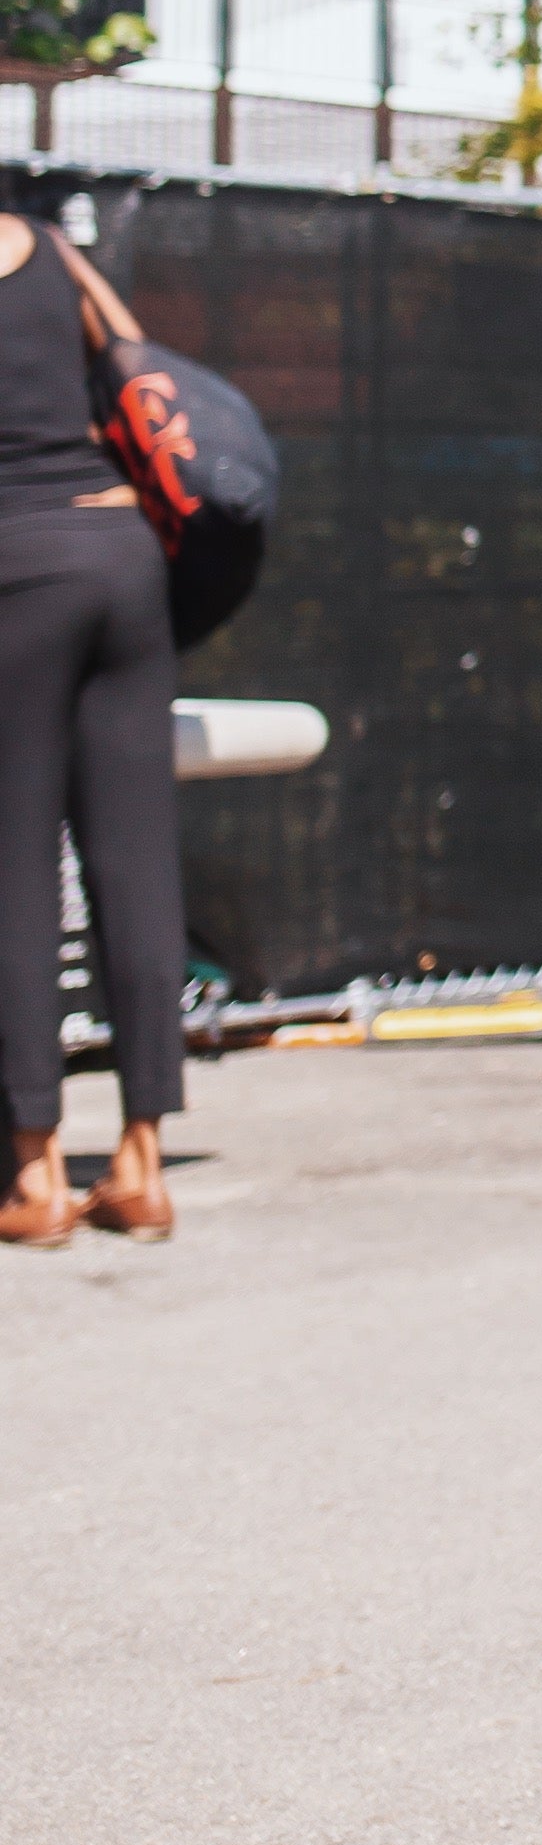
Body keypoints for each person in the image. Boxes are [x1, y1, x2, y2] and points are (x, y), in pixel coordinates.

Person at [0, 186, 188, 1251]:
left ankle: (34, 1174)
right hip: (120, 550)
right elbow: (136, 361)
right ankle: (141, 1165)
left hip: (16, 563)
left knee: (15, 867)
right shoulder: (49, 249)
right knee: (136, 859)